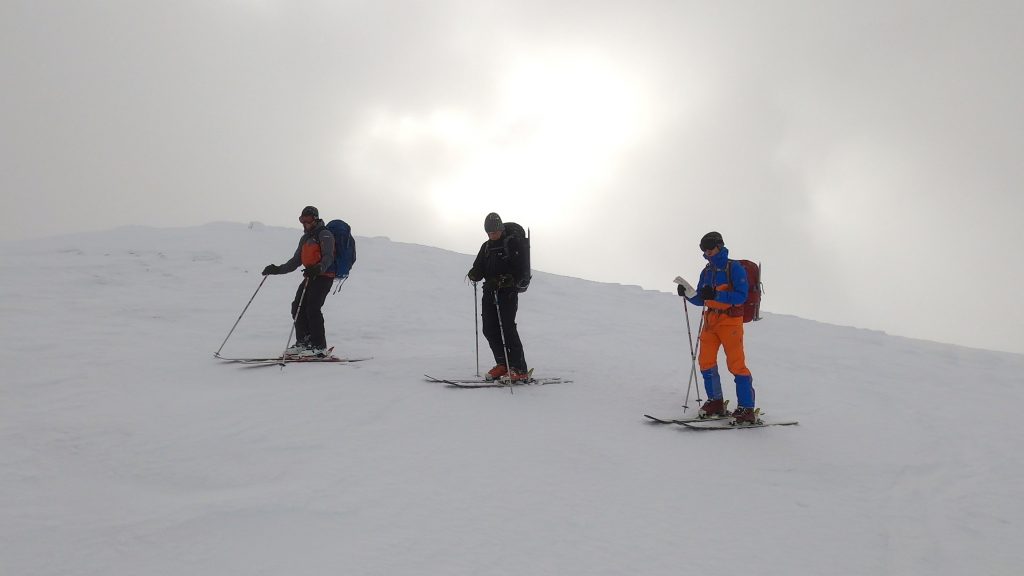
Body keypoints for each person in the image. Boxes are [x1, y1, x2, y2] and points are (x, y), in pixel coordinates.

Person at [679, 231, 757, 424]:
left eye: (710, 248)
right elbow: (701, 299)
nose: (707, 252)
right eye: (704, 249)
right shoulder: (707, 271)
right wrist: (688, 294)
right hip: (710, 321)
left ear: (719, 246)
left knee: (736, 364)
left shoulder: (734, 268)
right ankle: (716, 401)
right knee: (705, 361)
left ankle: (746, 408)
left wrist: (716, 295)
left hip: (730, 322)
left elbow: (741, 296)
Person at [262, 206, 336, 357]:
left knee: (313, 308)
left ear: (315, 219)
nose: (305, 223)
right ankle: (304, 342)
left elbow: (329, 256)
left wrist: (318, 268)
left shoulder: (325, 234)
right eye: (302, 220)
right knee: (297, 307)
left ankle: (319, 346)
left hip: (323, 277)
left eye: (307, 220)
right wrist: (277, 269)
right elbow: (296, 261)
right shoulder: (305, 238)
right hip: (310, 277)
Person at [467, 212, 530, 381]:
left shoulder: (512, 243)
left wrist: (505, 280)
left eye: (494, 232)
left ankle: (519, 368)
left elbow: (520, 270)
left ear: (501, 228)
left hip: (507, 293)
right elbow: (479, 266)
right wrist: (474, 273)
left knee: (507, 328)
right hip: (489, 292)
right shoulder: (486, 246)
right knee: (489, 328)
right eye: (489, 233)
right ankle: (503, 364)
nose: (492, 235)